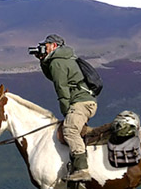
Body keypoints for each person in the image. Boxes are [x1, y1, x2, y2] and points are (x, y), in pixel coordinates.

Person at [34, 34, 97, 181]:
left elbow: (61, 89)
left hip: (80, 102)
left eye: (46, 45)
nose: (44, 47)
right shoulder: (65, 58)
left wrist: (66, 111)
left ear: (54, 46)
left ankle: (82, 169)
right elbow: (53, 76)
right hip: (86, 100)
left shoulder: (57, 62)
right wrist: (43, 61)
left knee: (69, 129)